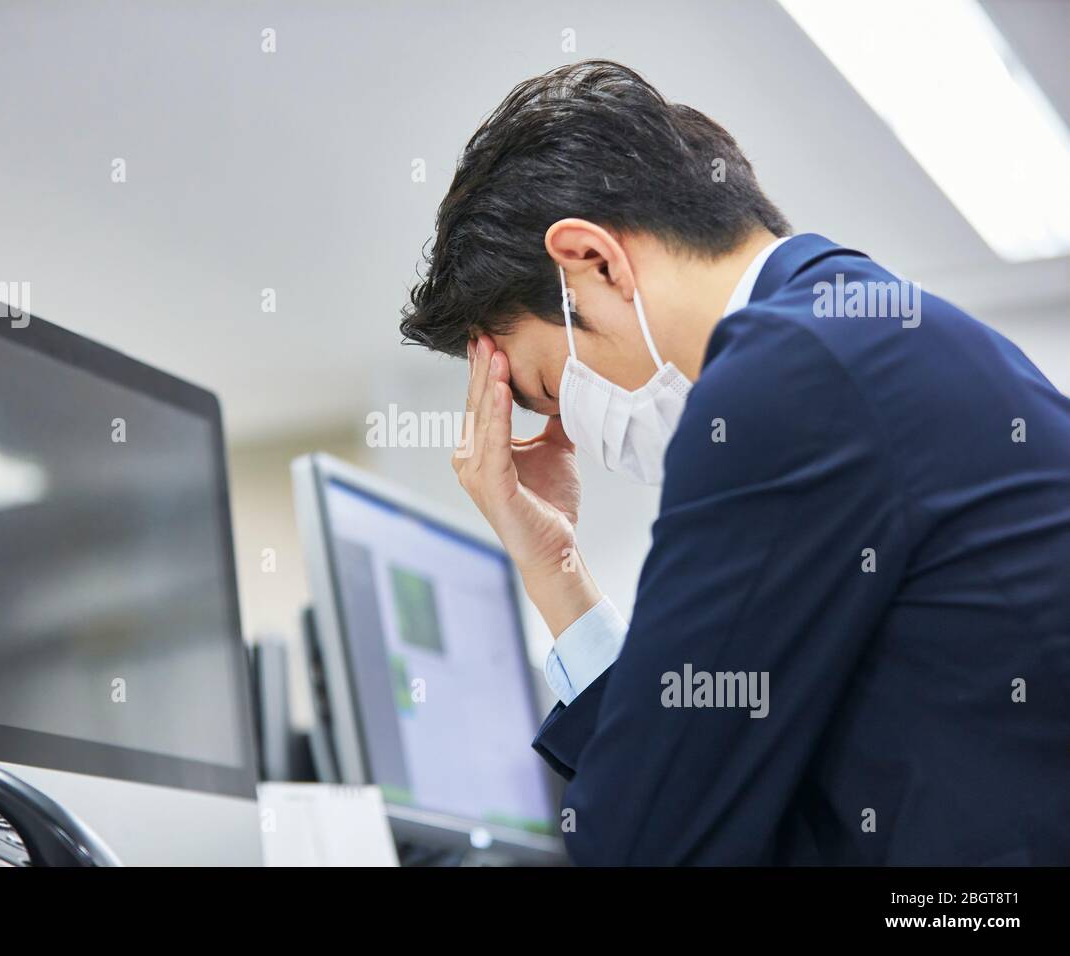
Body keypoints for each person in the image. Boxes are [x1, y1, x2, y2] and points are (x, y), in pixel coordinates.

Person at [399, 60, 1070, 865]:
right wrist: (557, 565)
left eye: (549, 386)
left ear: (594, 261)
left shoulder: (790, 379)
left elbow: (642, 840)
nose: (573, 434)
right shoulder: (857, 322)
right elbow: (697, 770)